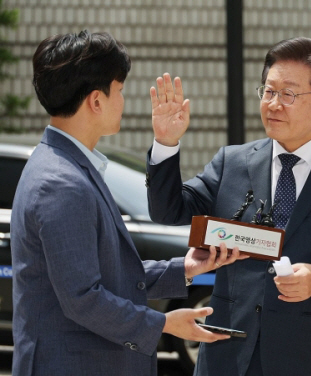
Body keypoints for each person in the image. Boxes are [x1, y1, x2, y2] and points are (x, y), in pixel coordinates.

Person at [146, 37, 311, 376]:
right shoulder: (232, 162)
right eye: (268, 91)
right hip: (228, 351)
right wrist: (165, 142)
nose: (274, 104)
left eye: (288, 94)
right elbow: (169, 211)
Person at [10, 30, 246, 376]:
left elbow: (109, 276)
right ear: (96, 100)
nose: (123, 100)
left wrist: (184, 268)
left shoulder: (64, 165)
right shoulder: (62, 182)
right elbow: (83, 298)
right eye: (119, 90)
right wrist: (163, 323)